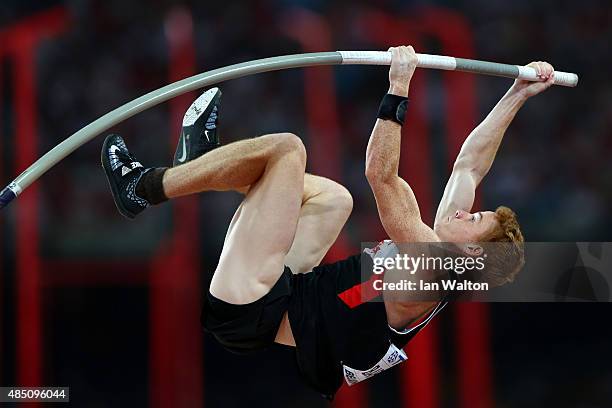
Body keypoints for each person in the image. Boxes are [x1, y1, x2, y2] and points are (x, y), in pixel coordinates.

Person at [100, 46, 553, 399]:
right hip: (288, 294)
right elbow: (469, 168)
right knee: (332, 200)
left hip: (252, 308)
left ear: (474, 252)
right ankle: (203, 165)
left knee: (288, 150)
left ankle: (144, 186)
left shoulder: (431, 271)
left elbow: (380, 175)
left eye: (474, 218)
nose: (464, 210)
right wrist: (517, 93)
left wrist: (398, 85)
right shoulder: (440, 261)